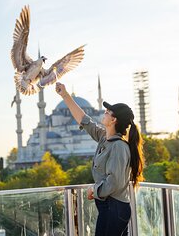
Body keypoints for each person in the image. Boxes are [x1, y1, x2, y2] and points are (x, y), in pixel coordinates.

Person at [55, 82, 144, 236]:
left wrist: (93, 190)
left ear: (114, 120)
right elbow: (84, 120)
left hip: (115, 210)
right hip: (109, 208)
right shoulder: (105, 138)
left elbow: (113, 182)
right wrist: (64, 95)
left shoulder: (119, 147)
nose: (104, 113)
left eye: (108, 112)